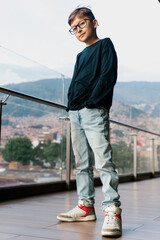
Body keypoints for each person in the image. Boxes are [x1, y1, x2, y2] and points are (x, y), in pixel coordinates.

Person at [57, 7, 122, 237]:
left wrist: (94, 102)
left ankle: (112, 209)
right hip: (75, 112)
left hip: (93, 110)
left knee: (103, 161)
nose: (78, 30)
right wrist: (71, 105)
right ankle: (85, 207)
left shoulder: (105, 45)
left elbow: (108, 75)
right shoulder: (79, 56)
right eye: (73, 28)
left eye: (81, 24)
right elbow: (76, 82)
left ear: (94, 22)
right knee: (81, 163)